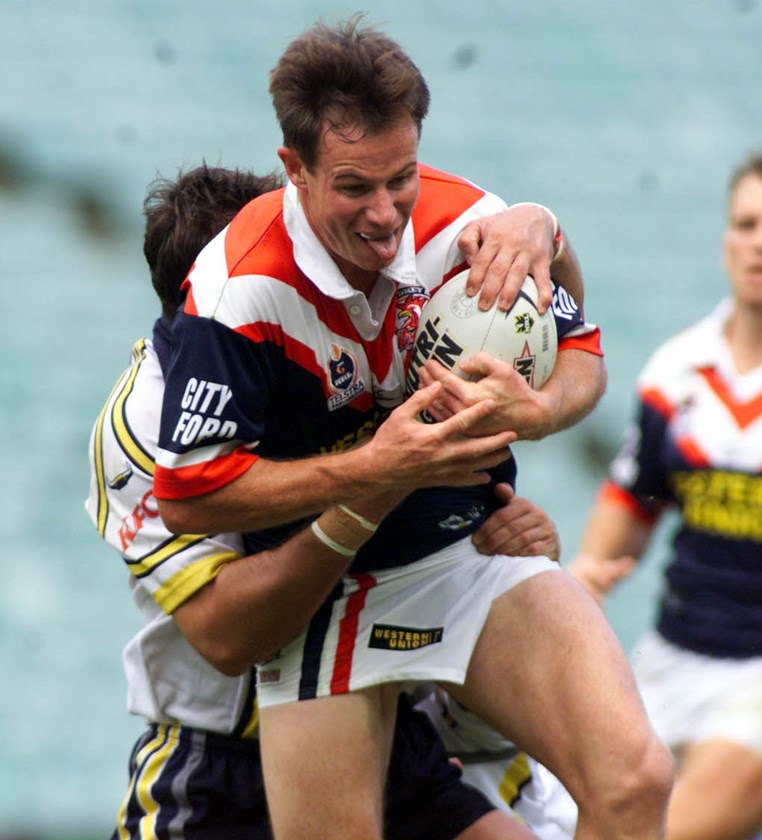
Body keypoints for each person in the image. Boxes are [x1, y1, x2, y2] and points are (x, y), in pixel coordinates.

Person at [153, 18, 672, 840]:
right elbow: (188, 496)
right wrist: (372, 468)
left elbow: (582, 356)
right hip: (323, 594)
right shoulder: (237, 288)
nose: (388, 212)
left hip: (467, 558)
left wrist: (539, 410)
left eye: (404, 176)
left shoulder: (472, 226)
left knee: (637, 778)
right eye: (355, 186)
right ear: (293, 168)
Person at [88, 162, 575, 840]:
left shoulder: (351, 332)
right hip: (223, 760)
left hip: (386, 719)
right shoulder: (143, 427)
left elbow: (450, 506)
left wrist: (539, 221)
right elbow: (232, 636)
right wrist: (366, 495)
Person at [569, 151, 762, 840]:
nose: (759, 241)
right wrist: (578, 589)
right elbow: (625, 517)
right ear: (725, 241)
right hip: (672, 657)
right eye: (746, 223)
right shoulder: (677, 372)